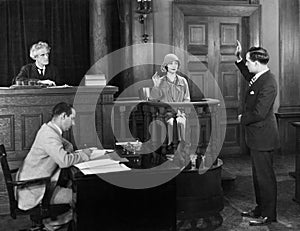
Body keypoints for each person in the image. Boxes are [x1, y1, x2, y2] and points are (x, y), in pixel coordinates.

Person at [16, 102, 92, 230]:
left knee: (80, 192)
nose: (73, 124)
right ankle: (57, 222)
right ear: (63, 116)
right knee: (84, 196)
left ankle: (56, 222)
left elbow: (68, 147)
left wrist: (68, 151)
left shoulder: (49, 129)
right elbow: (64, 161)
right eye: (72, 119)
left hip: (37, 185)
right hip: (35, 190)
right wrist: (84, 155)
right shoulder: (49, 135)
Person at [235, 40, 280, 226]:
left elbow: (260, 113)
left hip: (264, 137)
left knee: (265, 178)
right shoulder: (260, 77)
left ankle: (269, 215)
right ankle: (260, 209)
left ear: (256, 63)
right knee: (258, 177)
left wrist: (241, 119)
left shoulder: (268, 82)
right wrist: (238, 59)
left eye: (247, 61)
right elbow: (248, 77)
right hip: (257, 138)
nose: (246, 64)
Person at [150, 53, 190, 147]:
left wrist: (181, 111)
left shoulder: (183, 81)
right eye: (171, 63)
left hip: (180, 112)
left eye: (175, 63)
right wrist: (156, 86)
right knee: (171, 123)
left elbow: (187, 99)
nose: (173, 66)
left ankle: (183, 147)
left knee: (181, 122)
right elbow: (153, 100)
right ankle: (170, 147)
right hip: (165, 114)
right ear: (166, 66)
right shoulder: (160, 81)